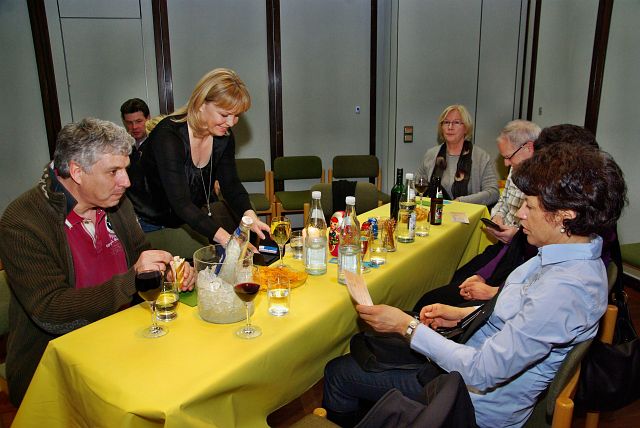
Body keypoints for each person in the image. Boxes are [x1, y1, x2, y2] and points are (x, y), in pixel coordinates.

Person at [323, 142, 627, 428]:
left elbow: (482, 372)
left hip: (472, 402)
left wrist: (407, 327)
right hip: (469, 363)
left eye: (530, 206)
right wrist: (461, 315)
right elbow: (520, 313)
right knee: (373, 350)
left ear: (565, 217)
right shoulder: (570, 254)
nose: (520, 214)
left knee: (338, 373)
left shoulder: (564, 290)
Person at [0, 118, 196, 407]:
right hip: (58, 364)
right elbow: (50, 310)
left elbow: (140, 253)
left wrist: (165, 270)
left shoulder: (115, 202)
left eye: (125, 169)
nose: (126, 182)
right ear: (77, 172)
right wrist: (133, 279)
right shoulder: (24, 220)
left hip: (126, 340)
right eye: (113, 171)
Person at [139, 68, 269, 244]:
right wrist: (228, 241)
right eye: (224, 114)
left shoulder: (223, 136)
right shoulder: (168, 136)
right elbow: (181, 203)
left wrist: (249, 215)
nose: (231, 123)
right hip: (149, 223)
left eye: (236, 115)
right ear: (200, 103)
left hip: (187, 219)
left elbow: (231, 184)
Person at [417, 105, 499, 207]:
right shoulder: (431, 154)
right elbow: (417, 185)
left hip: (467, 214)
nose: (450, 127)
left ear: (466, 128)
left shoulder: (481, 157)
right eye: (446, 122)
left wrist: (461, 201)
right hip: (434, 213)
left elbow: (493, 192)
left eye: (456, 122)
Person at [119, 98, 159, 232]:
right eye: (129, 123)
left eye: (139, 121)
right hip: (133, 217)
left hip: (155, 218)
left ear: (148, 118)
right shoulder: (122, 148)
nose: (134, 127)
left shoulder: (158, 144)